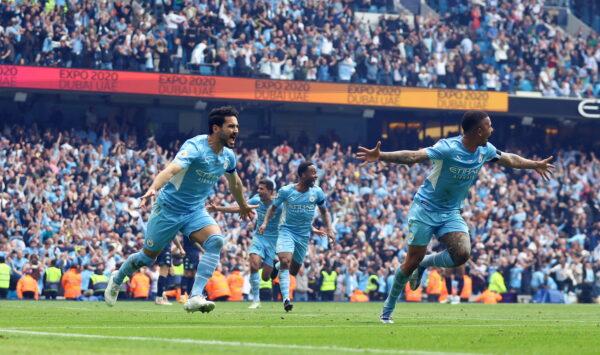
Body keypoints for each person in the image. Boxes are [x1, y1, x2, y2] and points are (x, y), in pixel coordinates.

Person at [356, 110, 555, 323]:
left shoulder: (485, 150)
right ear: (479, 130)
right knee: (411, 261)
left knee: (462, 254)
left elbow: (509, 159)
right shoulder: (448, 148)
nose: (492, 129)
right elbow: (414, 156)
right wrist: (381, 156)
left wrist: (535, 165)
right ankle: (388, 309)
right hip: (425, 208)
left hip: (450, 212)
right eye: (489, 126)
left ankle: (425, 263)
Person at [105, 106, 255, 315]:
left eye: (237, 126)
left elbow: (235, 183)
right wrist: (152, 188)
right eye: (231, 126)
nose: (236, 130)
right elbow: (172, 169)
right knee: (146, 258)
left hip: (194, 211)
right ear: (216, 128)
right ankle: (118, 277)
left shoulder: (228, 156)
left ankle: (195, 296)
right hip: (168, 209)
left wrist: (243, 204)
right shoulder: (195, 147)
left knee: (216, 241)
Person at [259, 161, 335, 312]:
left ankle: (277, 267)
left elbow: (325, 211)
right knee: (286, 261)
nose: (315, 176)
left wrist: (330, 229)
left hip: (303, 235)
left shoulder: (317, 192)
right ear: (302, 175)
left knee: (293, 270)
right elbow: (273, 208)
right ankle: (286, 299)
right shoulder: (286, 191)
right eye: (312, 173)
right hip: (286, 231)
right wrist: (265, 223)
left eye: (316, 173)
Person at [207, 178, 279, 309]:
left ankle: (276, 266)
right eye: (258, 188)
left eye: (262, 189)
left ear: (270, 191)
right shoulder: (257, 199)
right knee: (254, 264)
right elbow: (239, 206)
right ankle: (256, 300)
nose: (259, 191)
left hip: (273, 241)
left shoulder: (279, 203)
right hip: (259, 237)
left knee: (265, 277)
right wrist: (217, 208)